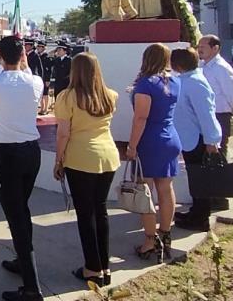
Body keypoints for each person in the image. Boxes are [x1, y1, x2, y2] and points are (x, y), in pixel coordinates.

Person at [0, 36, 45, 301]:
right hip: (32, 152)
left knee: (16, 216)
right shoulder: (35, 82)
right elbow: (24, 73)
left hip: (7, 154)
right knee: (22, 209)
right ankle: (22, 258)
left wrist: (3, 61)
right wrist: (20, 63)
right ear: (23, 56)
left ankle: (32, 287)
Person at [52, 52, 121, 287]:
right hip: (107, 156)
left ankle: (92, 268)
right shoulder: (110, 96)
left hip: (80, 158)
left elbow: (63, 133)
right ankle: (105, 265)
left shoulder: (67, 97)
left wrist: (58, 161)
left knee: (86, 214)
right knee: (100, 211)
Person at [127, 43, 181, 262]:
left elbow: (141, 118)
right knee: (166, 188)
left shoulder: (145, 84)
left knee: (145, 191)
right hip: (170, 138)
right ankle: (165, 234)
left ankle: (150, 242)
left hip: (149, 141)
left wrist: (131, 146)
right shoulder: (175, 82)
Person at [169, 47, 222, 233]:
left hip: (199, 139)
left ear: (178, 64)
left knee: (201, 180)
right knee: (194, 177)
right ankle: (196, 211)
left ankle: (201, 218)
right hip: (189, 138)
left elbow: (206, 114)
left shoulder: (195, 82)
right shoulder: (185, 80)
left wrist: (212, 140)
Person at [197, 34, 233, 211]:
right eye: (199, 45)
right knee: (207, 158)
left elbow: (232, 95)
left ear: (215, 48)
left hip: (220, 115)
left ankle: (221, 198)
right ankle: (211, 195)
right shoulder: (202, 66)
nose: (199, 48)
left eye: (203, 46)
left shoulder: (221, 68)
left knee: (219, 156)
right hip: (206, 116)